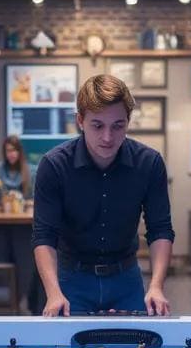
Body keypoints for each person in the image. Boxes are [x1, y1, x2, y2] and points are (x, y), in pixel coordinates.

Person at [33, 74, 175, 316]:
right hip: (71, 279)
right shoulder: (55, 165)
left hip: (126, 278)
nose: (108, 137)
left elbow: (160, 229)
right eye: (97, 125)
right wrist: (53, 292)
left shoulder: (149, 163)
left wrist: (156, 286)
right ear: (80, 120)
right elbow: (44, 236)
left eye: (118, 126)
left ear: (128, 122)